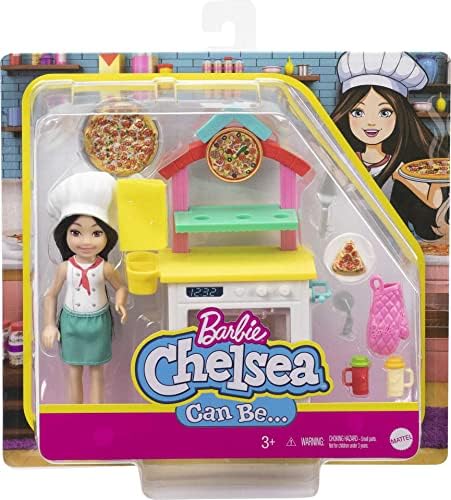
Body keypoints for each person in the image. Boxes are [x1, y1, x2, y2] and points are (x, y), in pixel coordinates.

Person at [332, 52, 449, 241]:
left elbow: (434, 202)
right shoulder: (344, 161)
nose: (371, 122)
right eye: (358, 112)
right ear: (346, 114)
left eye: (384, 112)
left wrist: (437, 181)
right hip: (348, 239)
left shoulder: (401, 169)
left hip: (392, 244)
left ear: (399, 116)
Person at [42, 171, 128, 403]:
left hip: (98, 323)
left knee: (98, 372)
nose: (86, 241)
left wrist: (121, 302)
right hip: (71, 323)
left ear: (107, 236)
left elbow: (121, 287)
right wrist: (49, 325)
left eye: (96, 233)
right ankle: (76, 413)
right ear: (65, 234)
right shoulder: (65, 268)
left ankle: (96, 412)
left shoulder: (105, 268)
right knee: (74, 372)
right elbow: (50, 295)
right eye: (76, 232)